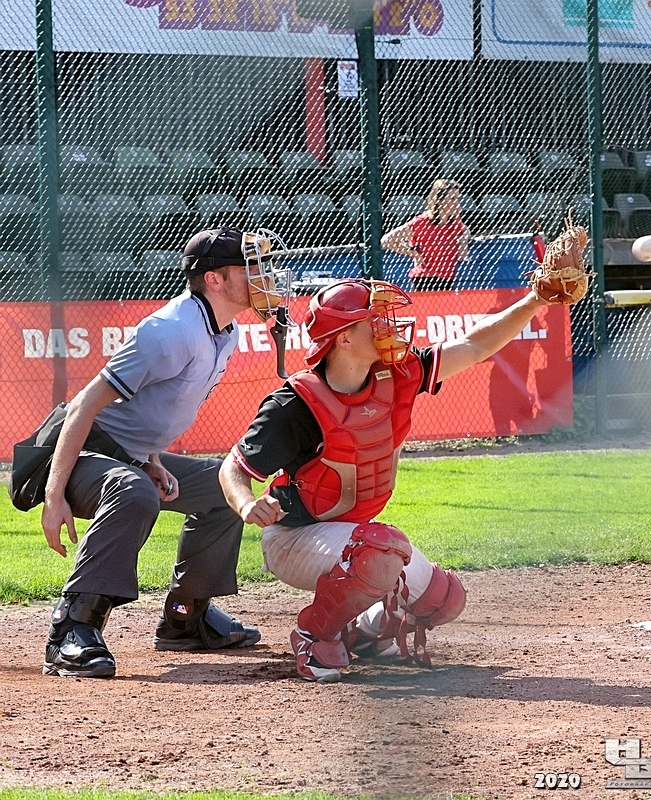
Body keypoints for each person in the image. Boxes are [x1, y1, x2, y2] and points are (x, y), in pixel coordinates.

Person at [218, 278, 561, 682]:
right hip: (294, 538)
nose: (388, 327)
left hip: (355, 536)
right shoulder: (296, 404)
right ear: (344, 338)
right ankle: (314, 635)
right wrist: (246, 503)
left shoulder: (397, 374)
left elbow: (474, 346)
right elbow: (232, 468)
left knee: (444, 599)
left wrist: (537, 298)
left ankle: (364, 633)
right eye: (375, 319)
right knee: (381, 548)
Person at [37, 227, 289, 678]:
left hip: (127, 457)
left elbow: (156, 408)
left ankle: (185, 618)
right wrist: (55, 498)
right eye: (249, 268)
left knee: (225, 486)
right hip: (76, 454)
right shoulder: (170, 330)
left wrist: (151, 459)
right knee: (133, 490)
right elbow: (82, 407)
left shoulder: (225, 331)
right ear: (214, 279)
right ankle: (72, 627)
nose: (262, 276)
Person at [381, 178, 471, 292]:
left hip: (447, 279)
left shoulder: (454, 222)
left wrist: (463, 240)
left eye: (457, 198)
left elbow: (465, 233)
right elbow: (386, 240)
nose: (456, 203)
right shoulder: (422, 223)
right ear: (439, 200)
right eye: (452, 199)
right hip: (425, 279)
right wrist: (413, 253)